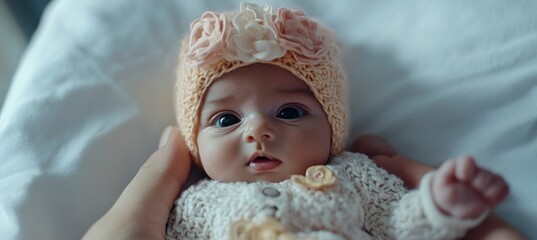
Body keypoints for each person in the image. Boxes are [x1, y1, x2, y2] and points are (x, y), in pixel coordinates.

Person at [84, 2, 523, 240]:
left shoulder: (356, 175)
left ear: (332, 127)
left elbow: (399, 223)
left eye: (290, 112)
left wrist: (440, 205)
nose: (257, 130)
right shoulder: (193, 204)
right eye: (225, 118)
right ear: (194, 140)